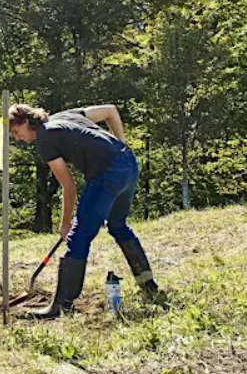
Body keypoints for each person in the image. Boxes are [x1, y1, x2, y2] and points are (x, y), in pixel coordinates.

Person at [8, 104, 161, 319]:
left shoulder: (44, 138)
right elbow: (111, 111)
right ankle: (149, 286)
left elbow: (69, 185)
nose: (17, 139)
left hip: (107, 173)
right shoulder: (65, 115)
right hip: (128, 163)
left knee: (78, 237)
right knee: (117, 225)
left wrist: (65, 224)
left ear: (24, 122)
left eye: (16, 132)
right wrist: (121, 143)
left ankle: (61, 306)